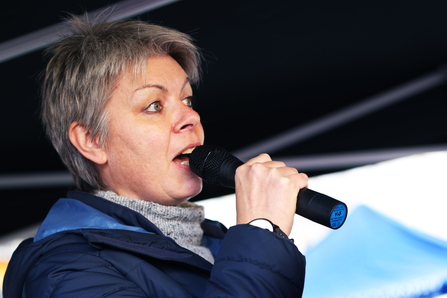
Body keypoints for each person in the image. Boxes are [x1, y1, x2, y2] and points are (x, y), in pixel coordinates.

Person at [3, 12, 308, 298]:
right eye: (154, 105)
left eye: (187, 98)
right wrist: (261, 230)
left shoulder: (217, 242)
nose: (191, 117)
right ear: (91, 140)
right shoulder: (63, 272)